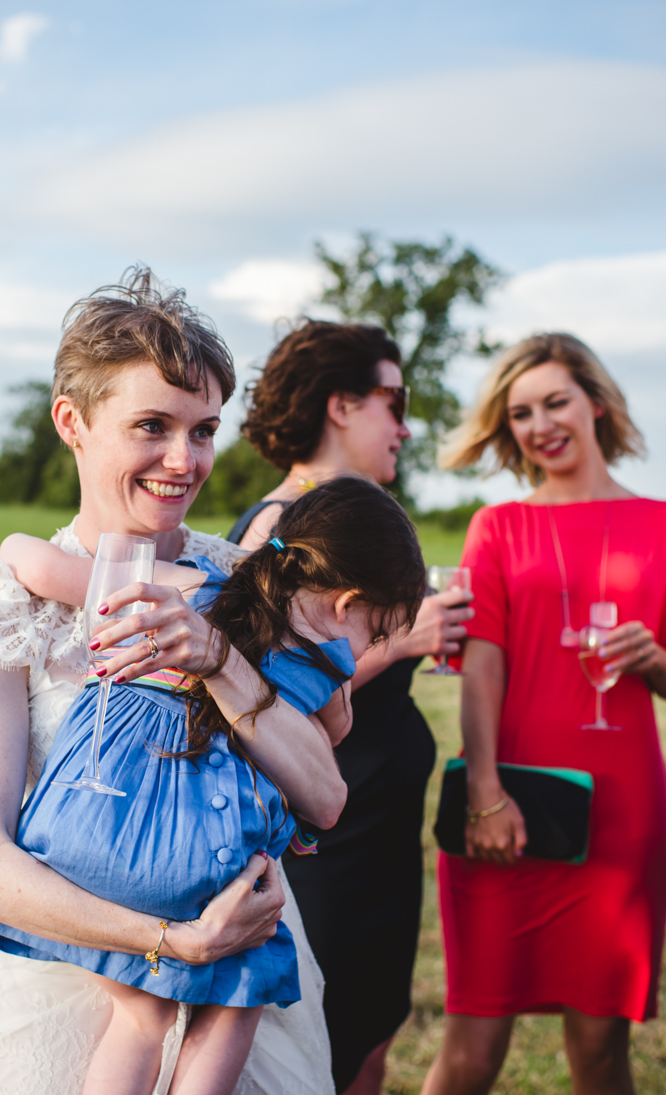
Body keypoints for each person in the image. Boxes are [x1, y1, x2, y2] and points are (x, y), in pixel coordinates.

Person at [0, 268, 349, 1095]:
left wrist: (220, 658)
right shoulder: (5, 597)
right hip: (67, 992)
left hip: (243, 994)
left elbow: (324, 791)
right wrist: (172, 939)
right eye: (152, 426)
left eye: (203, 430)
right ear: (74, 422)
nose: (183, 459)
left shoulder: (245, 580)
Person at [0, 477, 426, 1095]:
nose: (367, 647)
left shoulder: (190, 587)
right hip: (202, 857)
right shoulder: (323, 664)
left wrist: (76, 574)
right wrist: (336, 671)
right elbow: (335, 732)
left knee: (142, 1015)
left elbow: (27, 556)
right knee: (244, 989)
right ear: (347, 603)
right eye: (379, 630)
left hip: (94, 836)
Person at [424, 333, 666, 1095]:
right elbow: (482, 669)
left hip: (621, 812)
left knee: (600, 1050)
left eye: (555, 401)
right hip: (507, 803)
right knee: (471, 1051)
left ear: (596, 401)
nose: (539, 424)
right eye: (520, 412)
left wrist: (650, 655)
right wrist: (486, 793)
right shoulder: (498, 527)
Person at [226, 319, 472, 1095]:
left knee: (369, 1029)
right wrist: (404, 642)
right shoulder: (285, 525)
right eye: (392, 401)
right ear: (341, 405)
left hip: (379, 823)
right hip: (329, 831)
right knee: (324, 1037)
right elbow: (257, 693)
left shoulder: (356, 515)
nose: (404, 425)